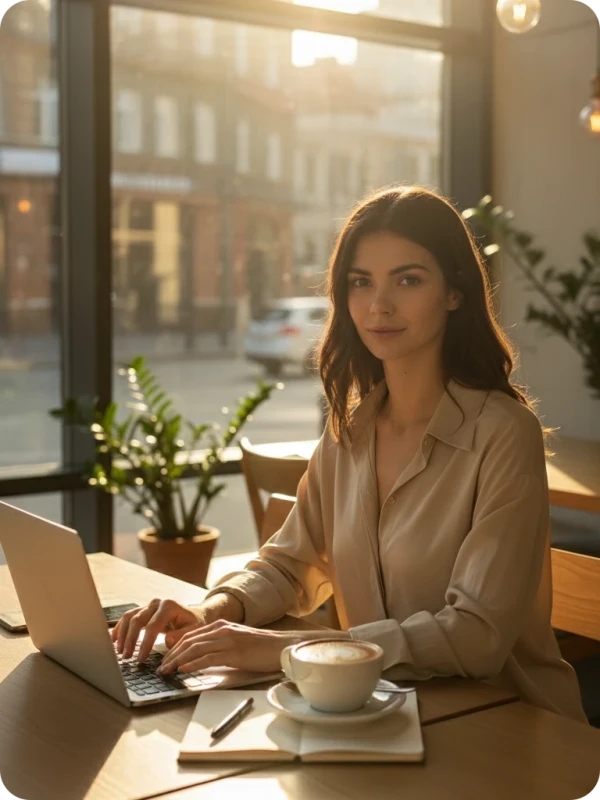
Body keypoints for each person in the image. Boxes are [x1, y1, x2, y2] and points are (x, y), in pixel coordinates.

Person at [113, 185, 587, 722]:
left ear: (455, 292)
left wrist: (288, 652)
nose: (378, 305)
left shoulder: (504, 433)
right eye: (361, 283)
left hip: (507, 724)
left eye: (408, 280)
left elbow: (476, 636)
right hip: (379, 711)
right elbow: (290, 564)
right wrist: (209, 611)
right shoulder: (350, 429)